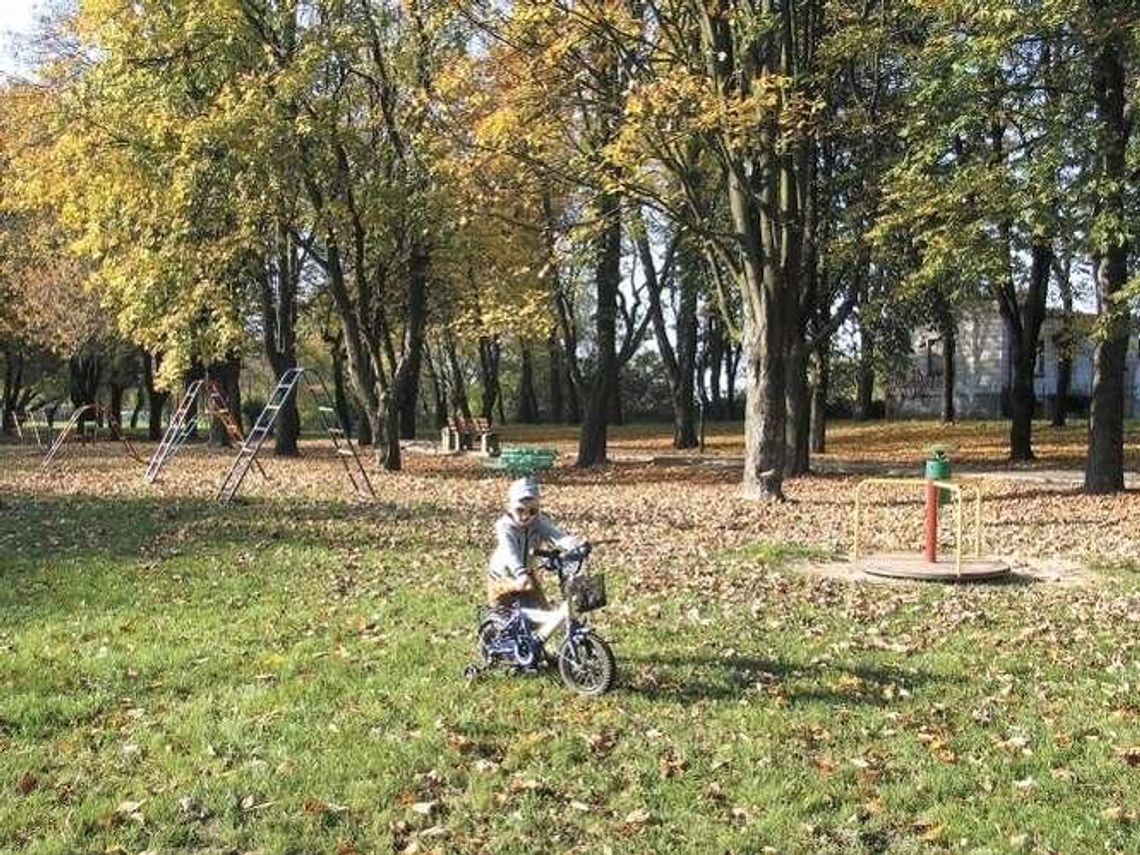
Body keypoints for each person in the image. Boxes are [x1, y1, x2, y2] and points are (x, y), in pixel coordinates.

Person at [487, 477, 582, 609]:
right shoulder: (505, 527)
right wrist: (520, 573)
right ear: (509, 507)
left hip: (528, 574)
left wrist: (574, 543)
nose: (526, 516)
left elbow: (556, 536)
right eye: (520, 510)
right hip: (503, 576)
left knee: (544, 612)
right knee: (503, 614)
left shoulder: (538, 522)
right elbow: (509, 551)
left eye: (532, 511)